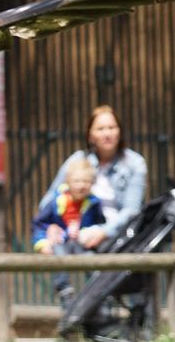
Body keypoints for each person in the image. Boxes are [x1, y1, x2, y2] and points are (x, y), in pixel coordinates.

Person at [38, 105, 148, 329]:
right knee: (57, 247)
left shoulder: (135, 163)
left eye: (112, 127)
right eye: (100, 128)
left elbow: (132, 210)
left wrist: (103, 232)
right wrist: (52, 227)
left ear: (119, 131)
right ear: (90, 134)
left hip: (117, 236)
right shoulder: (77, 161)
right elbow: (49, 199)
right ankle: (69, 304)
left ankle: (102, 314)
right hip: (77, 232)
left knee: (98, 254)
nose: (107, 133)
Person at [31, 158, 105, 312]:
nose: (81, 185)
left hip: (82, 244)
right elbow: (39, 224)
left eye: (86, 181)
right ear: (68, 182)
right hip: (61, 242)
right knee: (59, 258)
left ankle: (98, 293)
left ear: (92, 183)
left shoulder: (94, 203)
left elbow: (101, 224)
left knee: (93, 261)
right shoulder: (56, 202)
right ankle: (65, 292)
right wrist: (42, 243)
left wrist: (94, 234)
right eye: (77, 181)